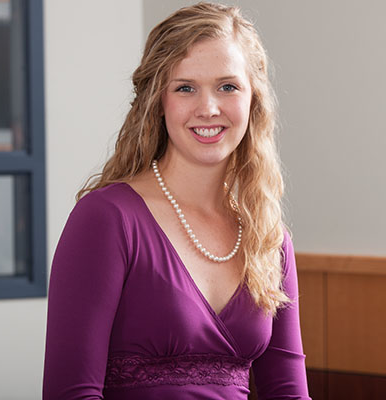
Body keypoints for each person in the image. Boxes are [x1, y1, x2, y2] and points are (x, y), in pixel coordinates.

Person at [43, 2, 311, 399]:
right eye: (185, 87)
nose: (208, 108)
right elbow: (71, 393)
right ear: (158, 100)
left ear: (253, 99)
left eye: (228, 86)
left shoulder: (269, 239)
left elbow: (289, 393)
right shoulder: (107, 219)